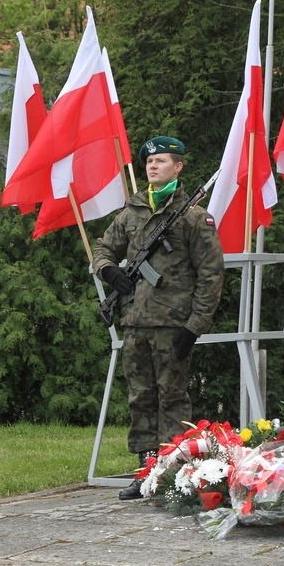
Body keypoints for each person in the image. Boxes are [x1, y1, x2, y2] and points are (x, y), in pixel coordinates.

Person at [93, 136, 225, 500]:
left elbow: (211, 276)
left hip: (173, 325)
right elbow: (102, 248)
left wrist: (195, 326)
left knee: (173, 398)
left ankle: (175, 473)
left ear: (178, 167)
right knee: (140, 398)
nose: (153, 166)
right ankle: (146, 470)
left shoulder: (195, 218)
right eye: (150, 162)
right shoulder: (131, 213)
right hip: (135, 321)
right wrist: (109, 272)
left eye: (162, 161)